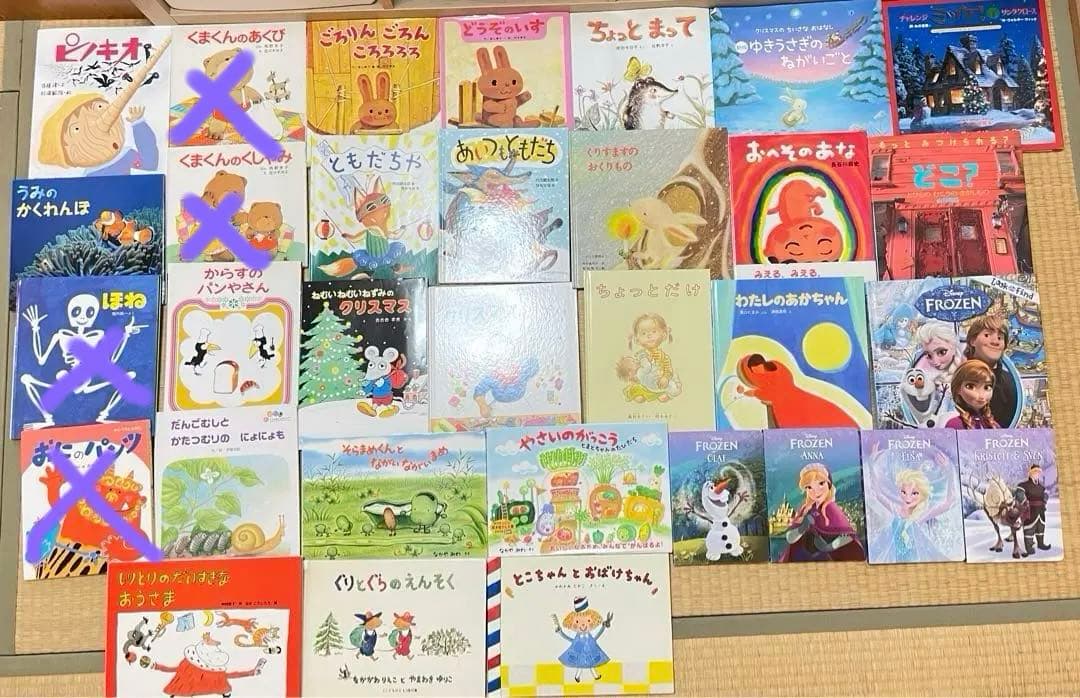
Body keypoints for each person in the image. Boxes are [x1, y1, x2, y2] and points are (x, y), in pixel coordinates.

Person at [779, 463, 865, 562]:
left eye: (821, 483)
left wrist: (829, 547)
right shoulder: (806, 509)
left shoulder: (831, 508)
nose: (816, 491)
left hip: (827, 560)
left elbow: (848, 536)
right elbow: (790, 538)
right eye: (809, 487)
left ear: (829, 484)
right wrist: (802, 528)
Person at [963, 315, 1018, 426]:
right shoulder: (954, 374)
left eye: (1000, 338)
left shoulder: (1011, 382)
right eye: (987, 335)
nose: (995, 342)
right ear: (973, 341)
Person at [551, 597, 612, 683]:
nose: (583, 624)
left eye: (588, 620)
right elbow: (569, 639)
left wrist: (604, 626)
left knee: (591, 663)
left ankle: (594, 676)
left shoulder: (590, 636)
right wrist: (560, 632)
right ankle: (578, 676)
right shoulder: (577, 637)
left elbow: (597, 635)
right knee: (581, 664)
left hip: (590, 651)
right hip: (579, 651)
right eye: (577, 622)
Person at [945, 360, 1000, 429]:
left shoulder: (992, 424)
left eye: (987, 387)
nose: (981, 395)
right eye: (971, 386)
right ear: (958, 389)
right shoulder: (954, 424)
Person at [1016, 463, 1052, 556]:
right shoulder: (1024, 485)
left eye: (1038, 472)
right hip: (1030, 511)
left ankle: (1041, 544)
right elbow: (1019, 494)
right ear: (1030, 473)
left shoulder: (1041, 487)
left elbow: (1046, 494)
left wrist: (1044, 500)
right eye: (1035, 472)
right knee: (1029, 529)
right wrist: (1025, 502)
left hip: (1040, 511)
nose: (1037, 474)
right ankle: (1029, 548)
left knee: (1040, 527)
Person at [913, 321, 963, 386]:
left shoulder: (965, 366)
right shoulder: (922, 367)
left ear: (953, 347)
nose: (935, 362)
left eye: (942, 352)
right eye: (929, 355)